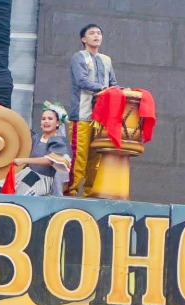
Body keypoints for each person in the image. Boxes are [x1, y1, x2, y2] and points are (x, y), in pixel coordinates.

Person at [67, 23, 118, 197]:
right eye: (92, 33)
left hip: (101, 118)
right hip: (82, 115)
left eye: (99, 33)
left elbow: (113, 83)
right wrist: (103, 89)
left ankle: (91, 193)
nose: (96, 36)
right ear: (83, 39)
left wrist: (117, 91)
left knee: (96, 158)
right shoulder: (79, 57)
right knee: (78, 156)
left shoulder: (106, 60)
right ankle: (70, 192)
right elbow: (81, 80)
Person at [0, 102, 72, 196]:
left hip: (42, 181)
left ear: (57, 123)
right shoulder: (35, 139)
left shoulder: (59, 141)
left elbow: (49, 160)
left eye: (50, 119)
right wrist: (5, 114)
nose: (46, 121)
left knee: (23, 195)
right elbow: (20, 128)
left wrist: (24, 160)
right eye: (43, 119)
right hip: (28, 175)